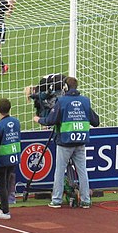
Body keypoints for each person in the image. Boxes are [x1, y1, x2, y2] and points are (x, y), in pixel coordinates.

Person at [37, 76, 100, 209]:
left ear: (65, 88)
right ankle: (86, 200)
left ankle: (57, 200)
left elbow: (50, 120)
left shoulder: (62, 101)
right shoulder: (85, 101)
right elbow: (96, 121)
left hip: (65, 142)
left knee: (59, 171)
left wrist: (38, 119)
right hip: (81, 141)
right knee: (82, 171)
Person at [0, 97, 21, 219]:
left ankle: (5, 211)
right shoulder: (16, 122)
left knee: (2, 185)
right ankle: (3, 206)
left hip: (1, 160)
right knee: (6, 183)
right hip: (13, 157)